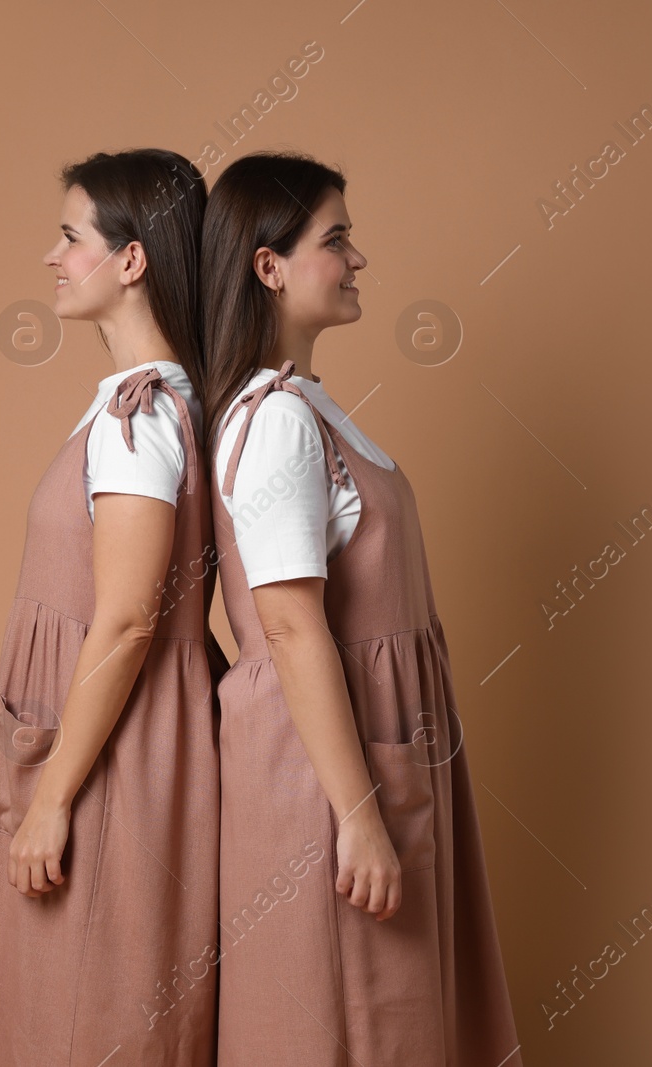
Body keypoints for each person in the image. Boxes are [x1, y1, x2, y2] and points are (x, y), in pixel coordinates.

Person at [200, 150, 524, 1066]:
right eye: (336, 238)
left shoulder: (306, 408)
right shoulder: (278, 425)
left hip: (371, 756)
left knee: (395, 1023)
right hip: (327, 776)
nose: (357, 259)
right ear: (270, 266)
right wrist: (357, 814)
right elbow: (292, 625)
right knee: (352, 1028)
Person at [0, 148, 223, 1065]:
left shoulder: (140, 419)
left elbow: (128, 617)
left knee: (87, 1019)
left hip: (111, 758)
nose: (52, 258)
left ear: (132, 259)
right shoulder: (142, 406)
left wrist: (51, 799)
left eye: (71, 237)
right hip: (116, 745)